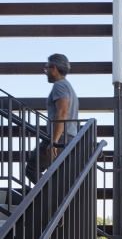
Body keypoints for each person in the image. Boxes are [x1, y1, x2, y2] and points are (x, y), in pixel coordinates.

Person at [26, 54, 79, 184]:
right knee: (58, 174)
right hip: (69, 137)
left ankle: (50, 199)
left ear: (54, 68)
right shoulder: (68, 87)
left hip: (60, 137)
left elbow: (62, 112)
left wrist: (53, 141)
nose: (46, 72)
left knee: (32, 168)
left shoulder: (59, 85)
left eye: (46, 68)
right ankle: (56, 199)